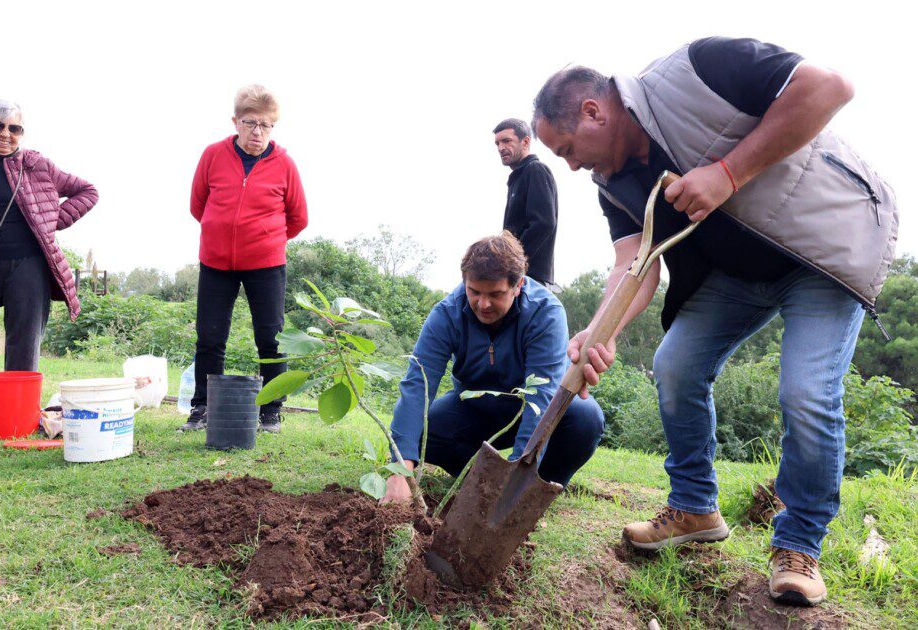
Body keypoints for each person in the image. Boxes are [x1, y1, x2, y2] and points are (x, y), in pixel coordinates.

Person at [532, 37, 898, 607]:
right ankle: (694, 506)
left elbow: (830, 87)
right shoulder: (614, 182)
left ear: (592, 112)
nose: (572, 165)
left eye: (567, 149)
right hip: (736, 272)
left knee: (805, 391)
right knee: (674, 365)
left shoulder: (698, 69)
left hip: (826, 248)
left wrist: (728, 172)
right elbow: (636, 262)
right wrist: (598, 333)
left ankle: (798, 545)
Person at [381, 231, 604, 504]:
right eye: (474, 292)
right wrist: (401, 469)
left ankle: (537, 485)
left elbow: (542, 399)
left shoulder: (545, 312)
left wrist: (515, 475)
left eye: (495, 294)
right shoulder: (447, 313)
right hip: (473, 407)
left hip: (529, 408)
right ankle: (477, 479)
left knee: (586, 417)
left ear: (518, 285)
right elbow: (417, 384)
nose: (482, 304)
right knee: (426, 432)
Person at [183, 85, 308, 434]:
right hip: (215, 263)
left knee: (271, 338)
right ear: (235, 121)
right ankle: (202, 408)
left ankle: (271, 410)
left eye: (266, 125)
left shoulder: (284, 164)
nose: (258, 132)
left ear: (273, 126)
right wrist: (219, 233)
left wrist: (266, 241)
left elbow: (298, 218)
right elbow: (198, 204)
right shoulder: (212, 155)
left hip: (266, 265)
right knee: (209, 336)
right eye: (250, 123)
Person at [0, 100, 98, 371]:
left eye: (14, 128)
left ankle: (18, 412)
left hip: (29, 266)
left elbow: (88, 191)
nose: (6, 134)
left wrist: (50, 221)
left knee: (24, 348)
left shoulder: (36, 165)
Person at [493, 118, 558, 289]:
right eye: (497, 143)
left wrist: (512, 263)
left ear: (526, 141)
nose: (501, 148)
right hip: (517, 274)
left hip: (529, 277)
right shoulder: (518, 177)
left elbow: (543, 223)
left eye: (507, 141)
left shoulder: (535, 170)